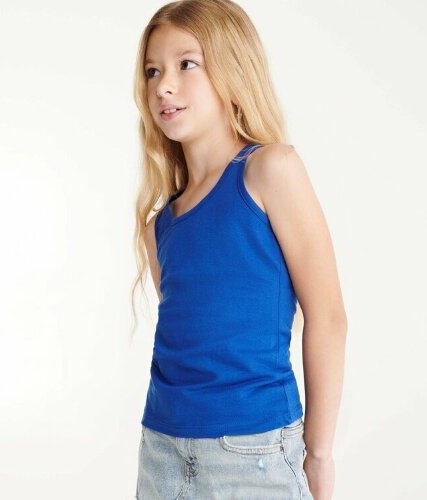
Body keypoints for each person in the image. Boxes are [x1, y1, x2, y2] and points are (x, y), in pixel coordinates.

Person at [130, 1, 347, 498]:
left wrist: (318, 453)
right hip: (160, 453)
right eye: (153, 71)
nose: (163, 86)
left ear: (232, 71)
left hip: (253, 454)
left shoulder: (271, 170)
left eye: (187, 64)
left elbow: (329, 316)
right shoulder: (159, 226)